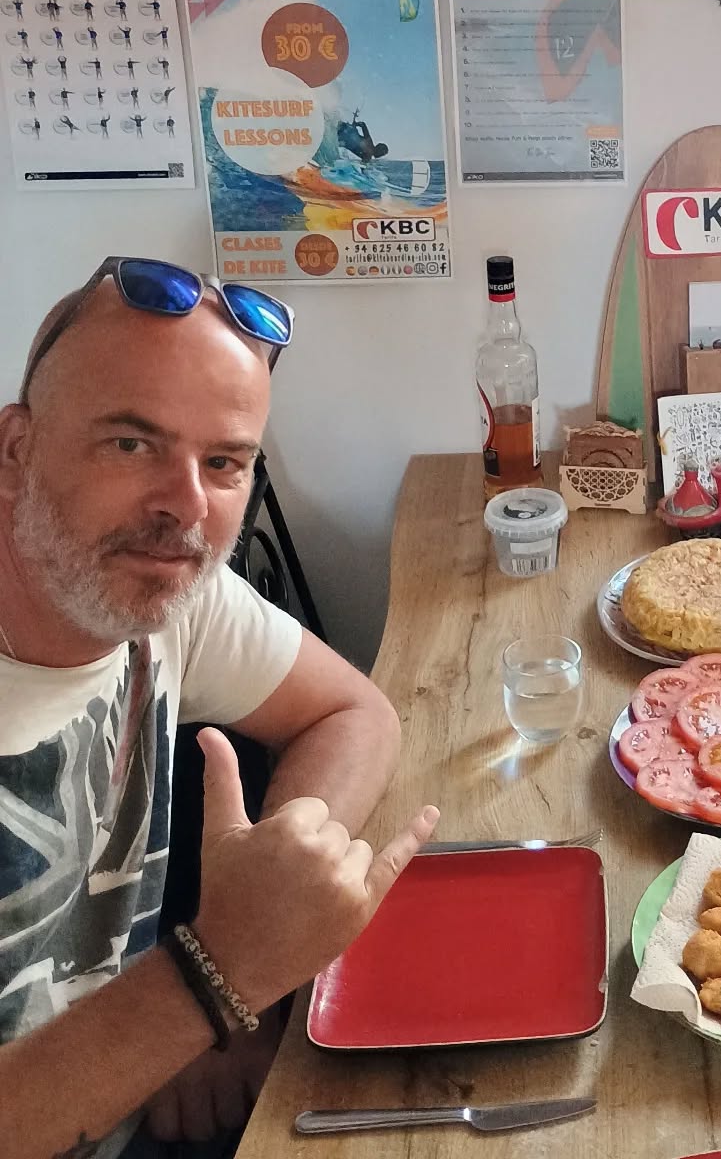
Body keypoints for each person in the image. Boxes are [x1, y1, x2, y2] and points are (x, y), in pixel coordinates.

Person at [0, 258, 438, 1158]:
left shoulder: (161, 593)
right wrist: (215, 981)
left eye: (225, 462)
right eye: (131, 444)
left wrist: (270, 901)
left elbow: (355, 713)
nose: (187, 507)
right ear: (16, 451)